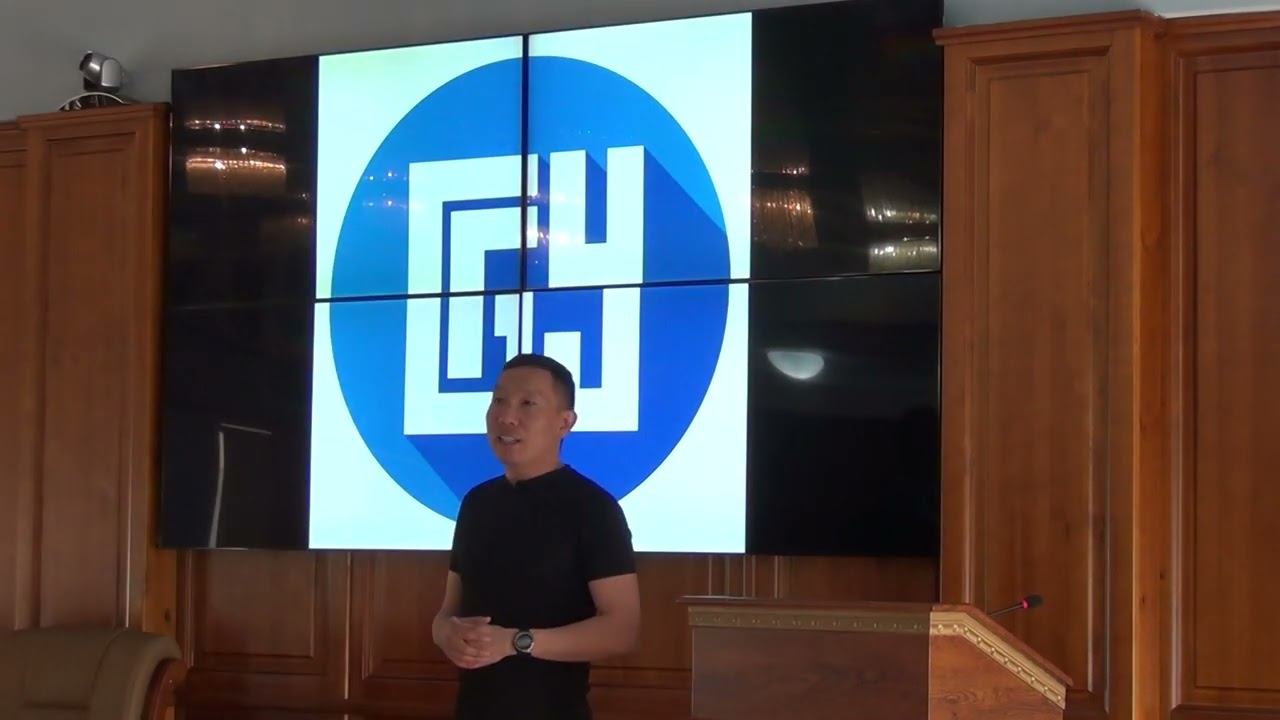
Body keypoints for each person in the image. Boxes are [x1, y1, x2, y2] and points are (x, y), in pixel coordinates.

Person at [431, 353, 641, 720]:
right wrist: (445, 633)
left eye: (527, 403)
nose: (507, 416)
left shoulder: (593, 508)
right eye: (499, 400)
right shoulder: (477, 503)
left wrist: (517, 642)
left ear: (565, 422)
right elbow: (448, 612)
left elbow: (622, 629)